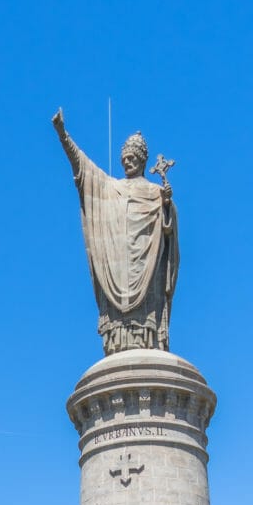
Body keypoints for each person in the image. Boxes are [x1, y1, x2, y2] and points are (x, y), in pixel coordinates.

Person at [52, 107, 179, 355]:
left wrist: (166, 206)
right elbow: (83, 169)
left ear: (143, 161)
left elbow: (168, 232)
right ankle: (118, 339)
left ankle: (146, 338)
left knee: (149, 300)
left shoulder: (154, 192)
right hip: (118, 264)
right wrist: (62, 135)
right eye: (125, 158)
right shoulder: (111, 188)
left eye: (133, 158)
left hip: (148, 262)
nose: (127, 161)